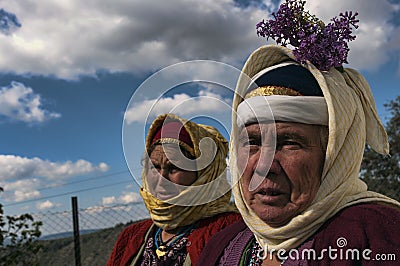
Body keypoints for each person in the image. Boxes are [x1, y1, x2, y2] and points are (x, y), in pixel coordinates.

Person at [197, 15, 400, 266]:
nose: (264, 165)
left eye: (288, 143)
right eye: (252, 142)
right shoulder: (222, 245)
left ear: (333, 155)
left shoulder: (380, 237)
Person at [107, 113, 240, 266]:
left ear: (204, 175)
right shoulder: (131, 237)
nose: (161, 178)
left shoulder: (230, 231)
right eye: (155, 167)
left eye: (174, 168)